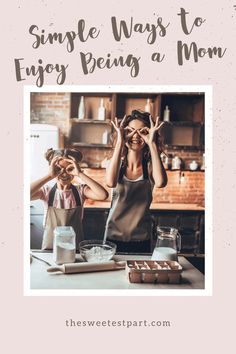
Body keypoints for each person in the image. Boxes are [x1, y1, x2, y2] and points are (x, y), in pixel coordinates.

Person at [103, 110, 167, 253]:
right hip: (114, 236)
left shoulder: (150, 166)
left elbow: (161, 182)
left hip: (141, 237)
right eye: (130, 131)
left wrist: (152, 142)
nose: (136, 136)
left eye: (142, 131)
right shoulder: (114, 163)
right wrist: (120, 141)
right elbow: (110, 183)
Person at [31, 148, 108, 250]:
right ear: (52, 169)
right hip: (51, 249)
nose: (64, 173)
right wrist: (49, 176)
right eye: (58, 169)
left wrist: (80, 174)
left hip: (74, 248)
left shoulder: (81, 191)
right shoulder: (46, 192)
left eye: (69, 169)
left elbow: (103, 195)